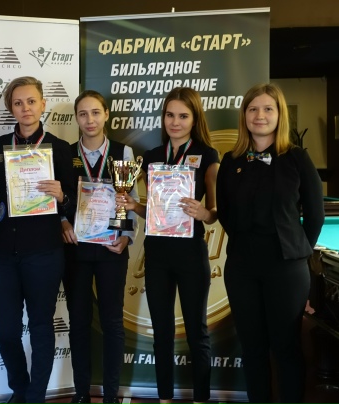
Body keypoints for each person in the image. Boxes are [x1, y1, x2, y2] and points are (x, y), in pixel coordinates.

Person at [216, 83, 324, 404]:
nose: (259, 115)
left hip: (286, 268)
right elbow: (226, 213)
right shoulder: (231, 160)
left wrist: (297, 252)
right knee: (252, 348)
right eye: (252, 109)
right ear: (244, 115)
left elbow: (315, 215)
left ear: (279, 115)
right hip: (242, 267)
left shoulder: (297, 158)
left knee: (286, 347)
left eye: (267, 109)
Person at [0, 76, 75, 404]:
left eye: (31, 101)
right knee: (5, 330)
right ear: (11, 108)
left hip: (44, 253)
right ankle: (20, 389)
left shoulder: (59, 148)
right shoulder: (0, 146)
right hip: (4, 252)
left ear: (43, 104)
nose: (26, 108)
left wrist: (62, 196)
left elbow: (73, 203)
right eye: (18, 103)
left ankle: (34, 397)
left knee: (41, 327)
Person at [120, 87, 219, 404]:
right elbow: (156, 211)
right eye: (170, 115)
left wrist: (204, 213)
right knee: (161, 333)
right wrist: (133, 206)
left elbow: (214, 211)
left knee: (196, 332)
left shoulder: (207, 155)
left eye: (183, 116)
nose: (175, 122)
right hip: (158, 254)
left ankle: (201, 399)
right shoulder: (151, 157)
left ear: (195, 119)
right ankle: (164, 399)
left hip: (190, 253)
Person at [61, 90, 139, 404]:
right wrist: (62, 223)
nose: (90, 120)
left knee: (112, 323)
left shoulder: (123, 151)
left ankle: (111, 395)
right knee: (79, 323)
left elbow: (131, 201)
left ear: (106, 114)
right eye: (83, 114)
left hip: (112, 248)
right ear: (76, 118)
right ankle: (81, 392)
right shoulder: (65, 154)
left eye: (95, 112)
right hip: (76, 249)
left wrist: (127, 236)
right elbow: (58, 202)